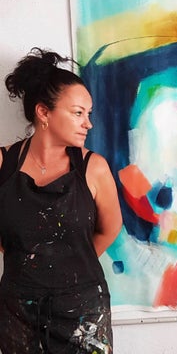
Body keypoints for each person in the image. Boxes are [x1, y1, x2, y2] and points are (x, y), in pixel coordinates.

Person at [0, 48, 123, 353]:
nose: (88, 123)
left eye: (88, 114)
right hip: (18, 313)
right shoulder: (3, 164)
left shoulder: (94, 168)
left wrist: (69, 268)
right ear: (44, 113)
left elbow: (110, 228)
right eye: (78, 113)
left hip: (83, 313)